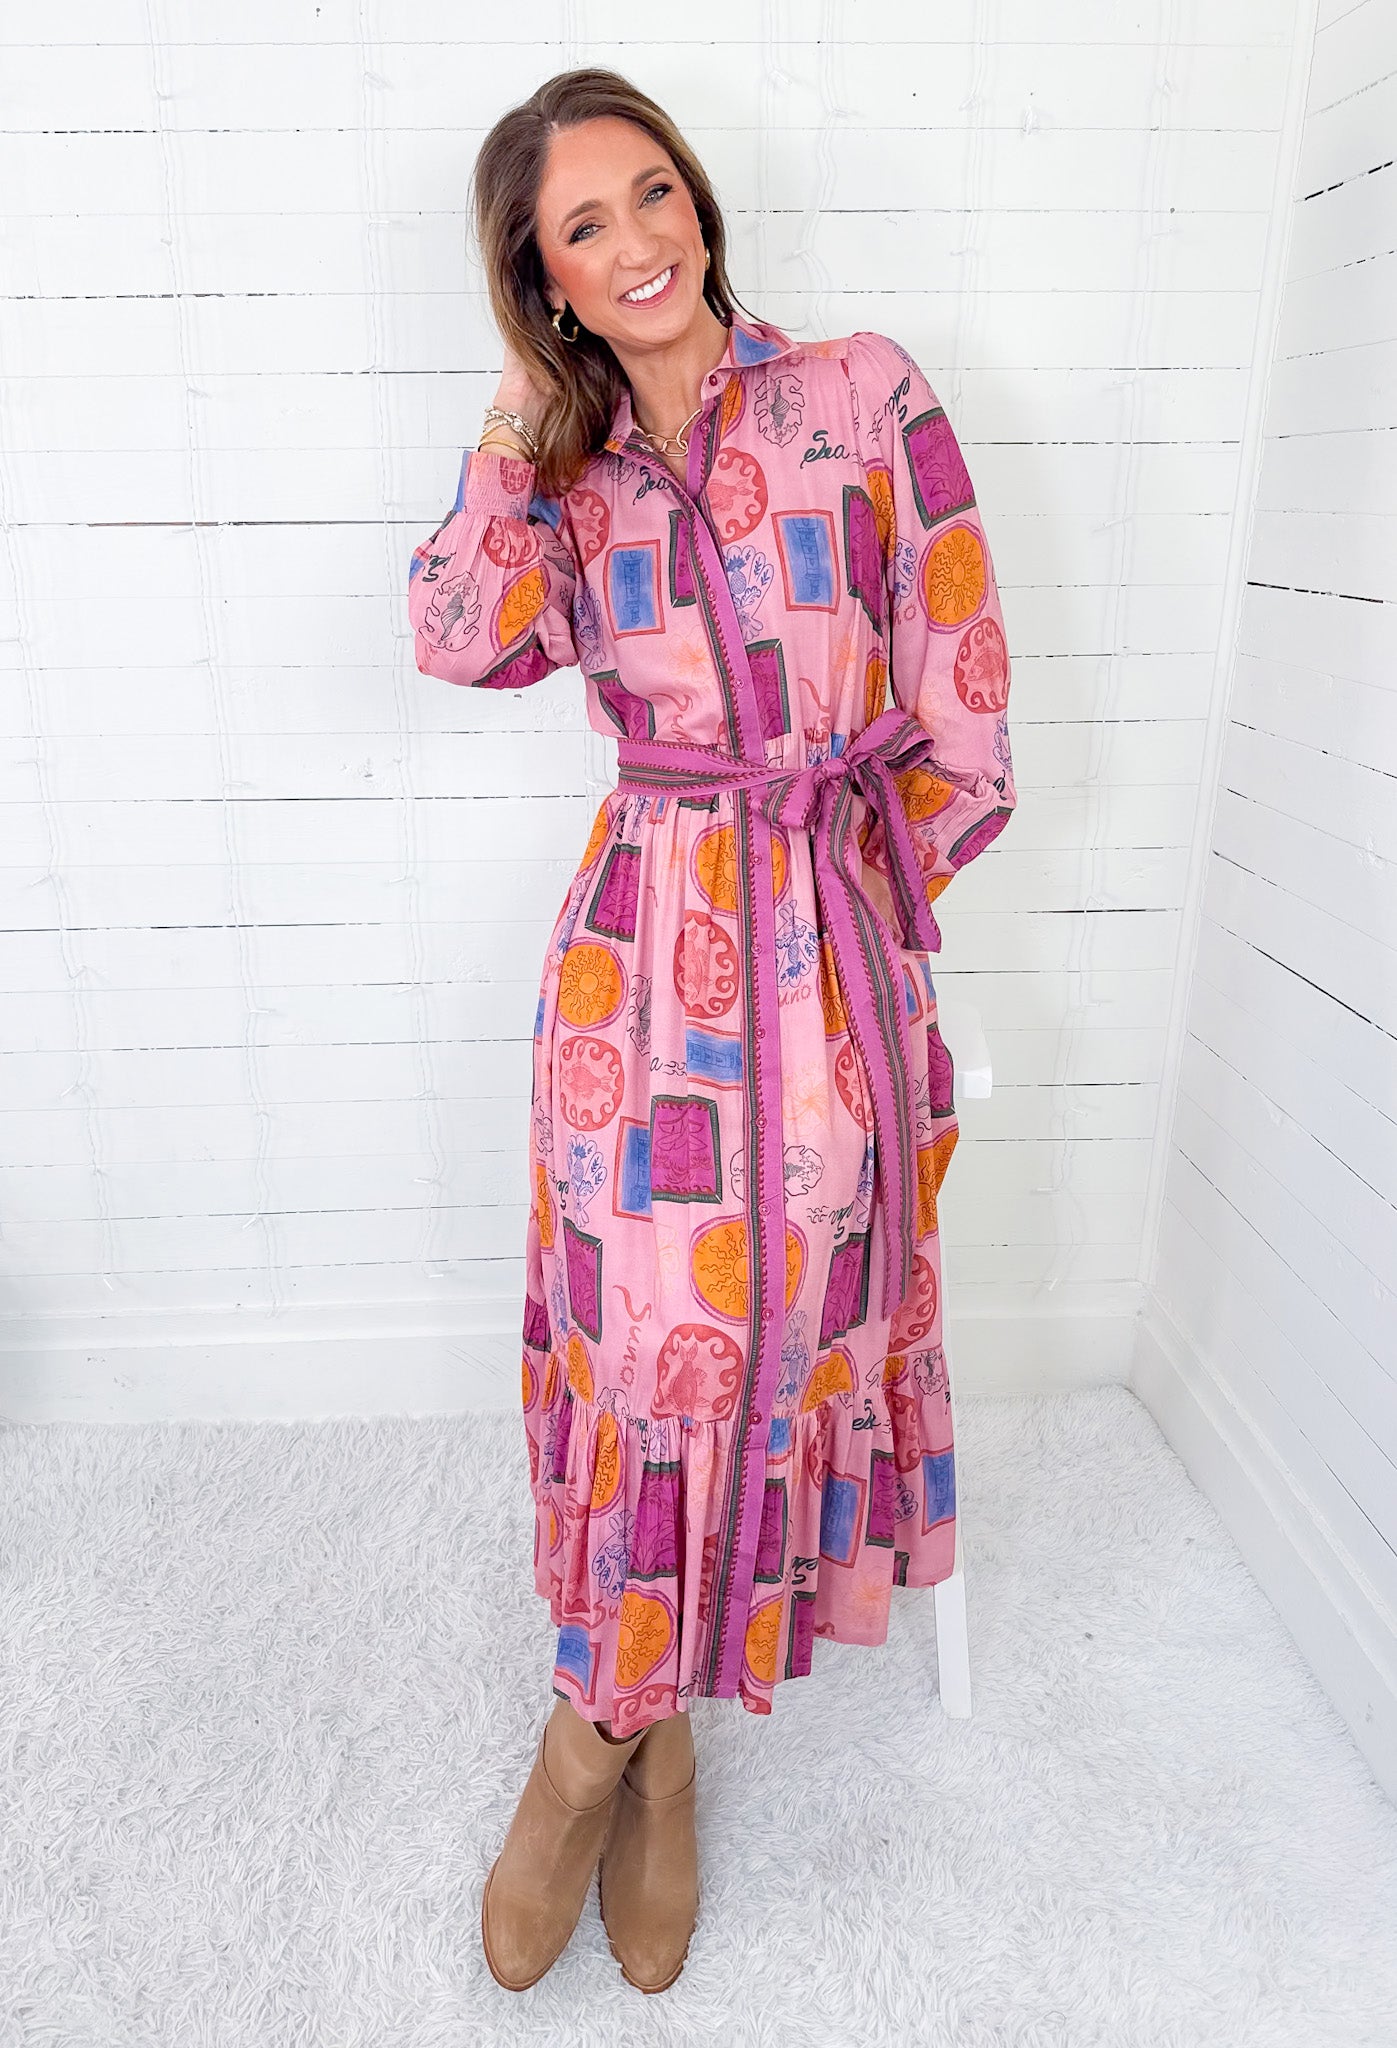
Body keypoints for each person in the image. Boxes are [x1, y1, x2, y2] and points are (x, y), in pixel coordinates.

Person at [407, 67, 1016, 1996]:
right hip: (638, 957)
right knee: (647, 1345)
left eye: (650, 194)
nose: (637, 242)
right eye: (582, 229)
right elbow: (455, 632)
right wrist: (517, 416)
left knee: (775, 1326)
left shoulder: (859, 394)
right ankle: (634, 1745)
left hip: (824, 933)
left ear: (698, 201)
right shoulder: (567, 476)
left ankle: (600, 1750)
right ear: (547, 284)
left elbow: (962, 688)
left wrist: (866, 926)